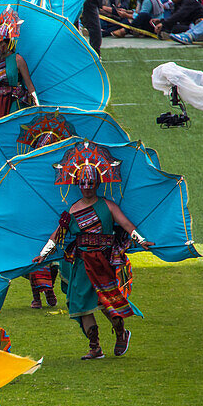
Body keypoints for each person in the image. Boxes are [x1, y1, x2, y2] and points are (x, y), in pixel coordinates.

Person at [33, 149, 155, 359]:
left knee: (108, 302)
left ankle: (121, 333)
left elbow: (125, 224)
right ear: (77, 185)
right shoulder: (73, 209)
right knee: (80, 305)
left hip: (103, 263)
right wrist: (43, 254)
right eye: (83, 184)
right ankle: (94, 347)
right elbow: (57, 234)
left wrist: (141, 240)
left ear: (98, 184)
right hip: (81, 264)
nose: (87, 188)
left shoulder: (107, 205)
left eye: (91, 184)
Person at [0, 10, 38, 121]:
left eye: (1, 43)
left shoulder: (18, 60)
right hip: (0, 102)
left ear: (8, 42)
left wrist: (37, 106)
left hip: (15, 101)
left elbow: (29, 84)